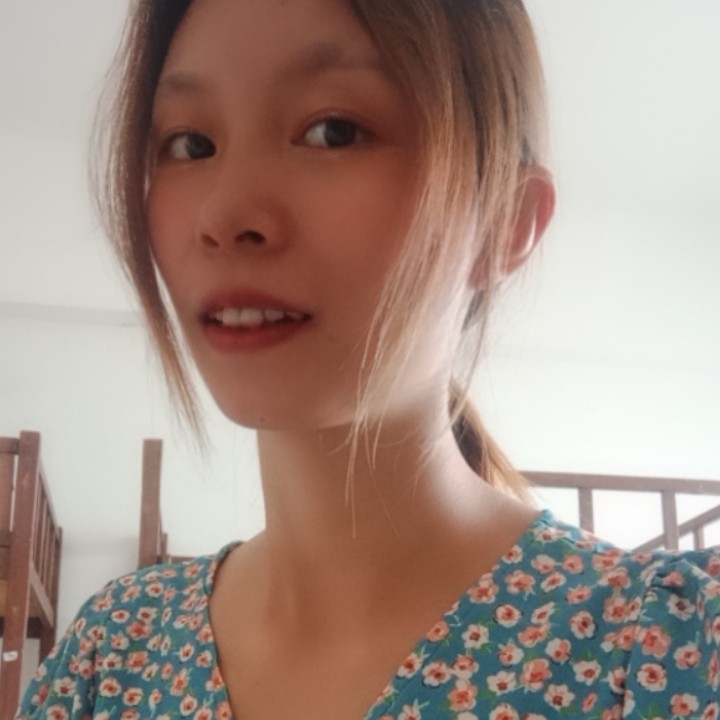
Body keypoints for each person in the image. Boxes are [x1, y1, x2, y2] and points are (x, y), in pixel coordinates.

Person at [16, 0, 720, 718]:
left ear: (506, 222)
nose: (224, 215)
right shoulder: (110, 657)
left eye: (334, 131)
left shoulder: (671, 647)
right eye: (190, 144)